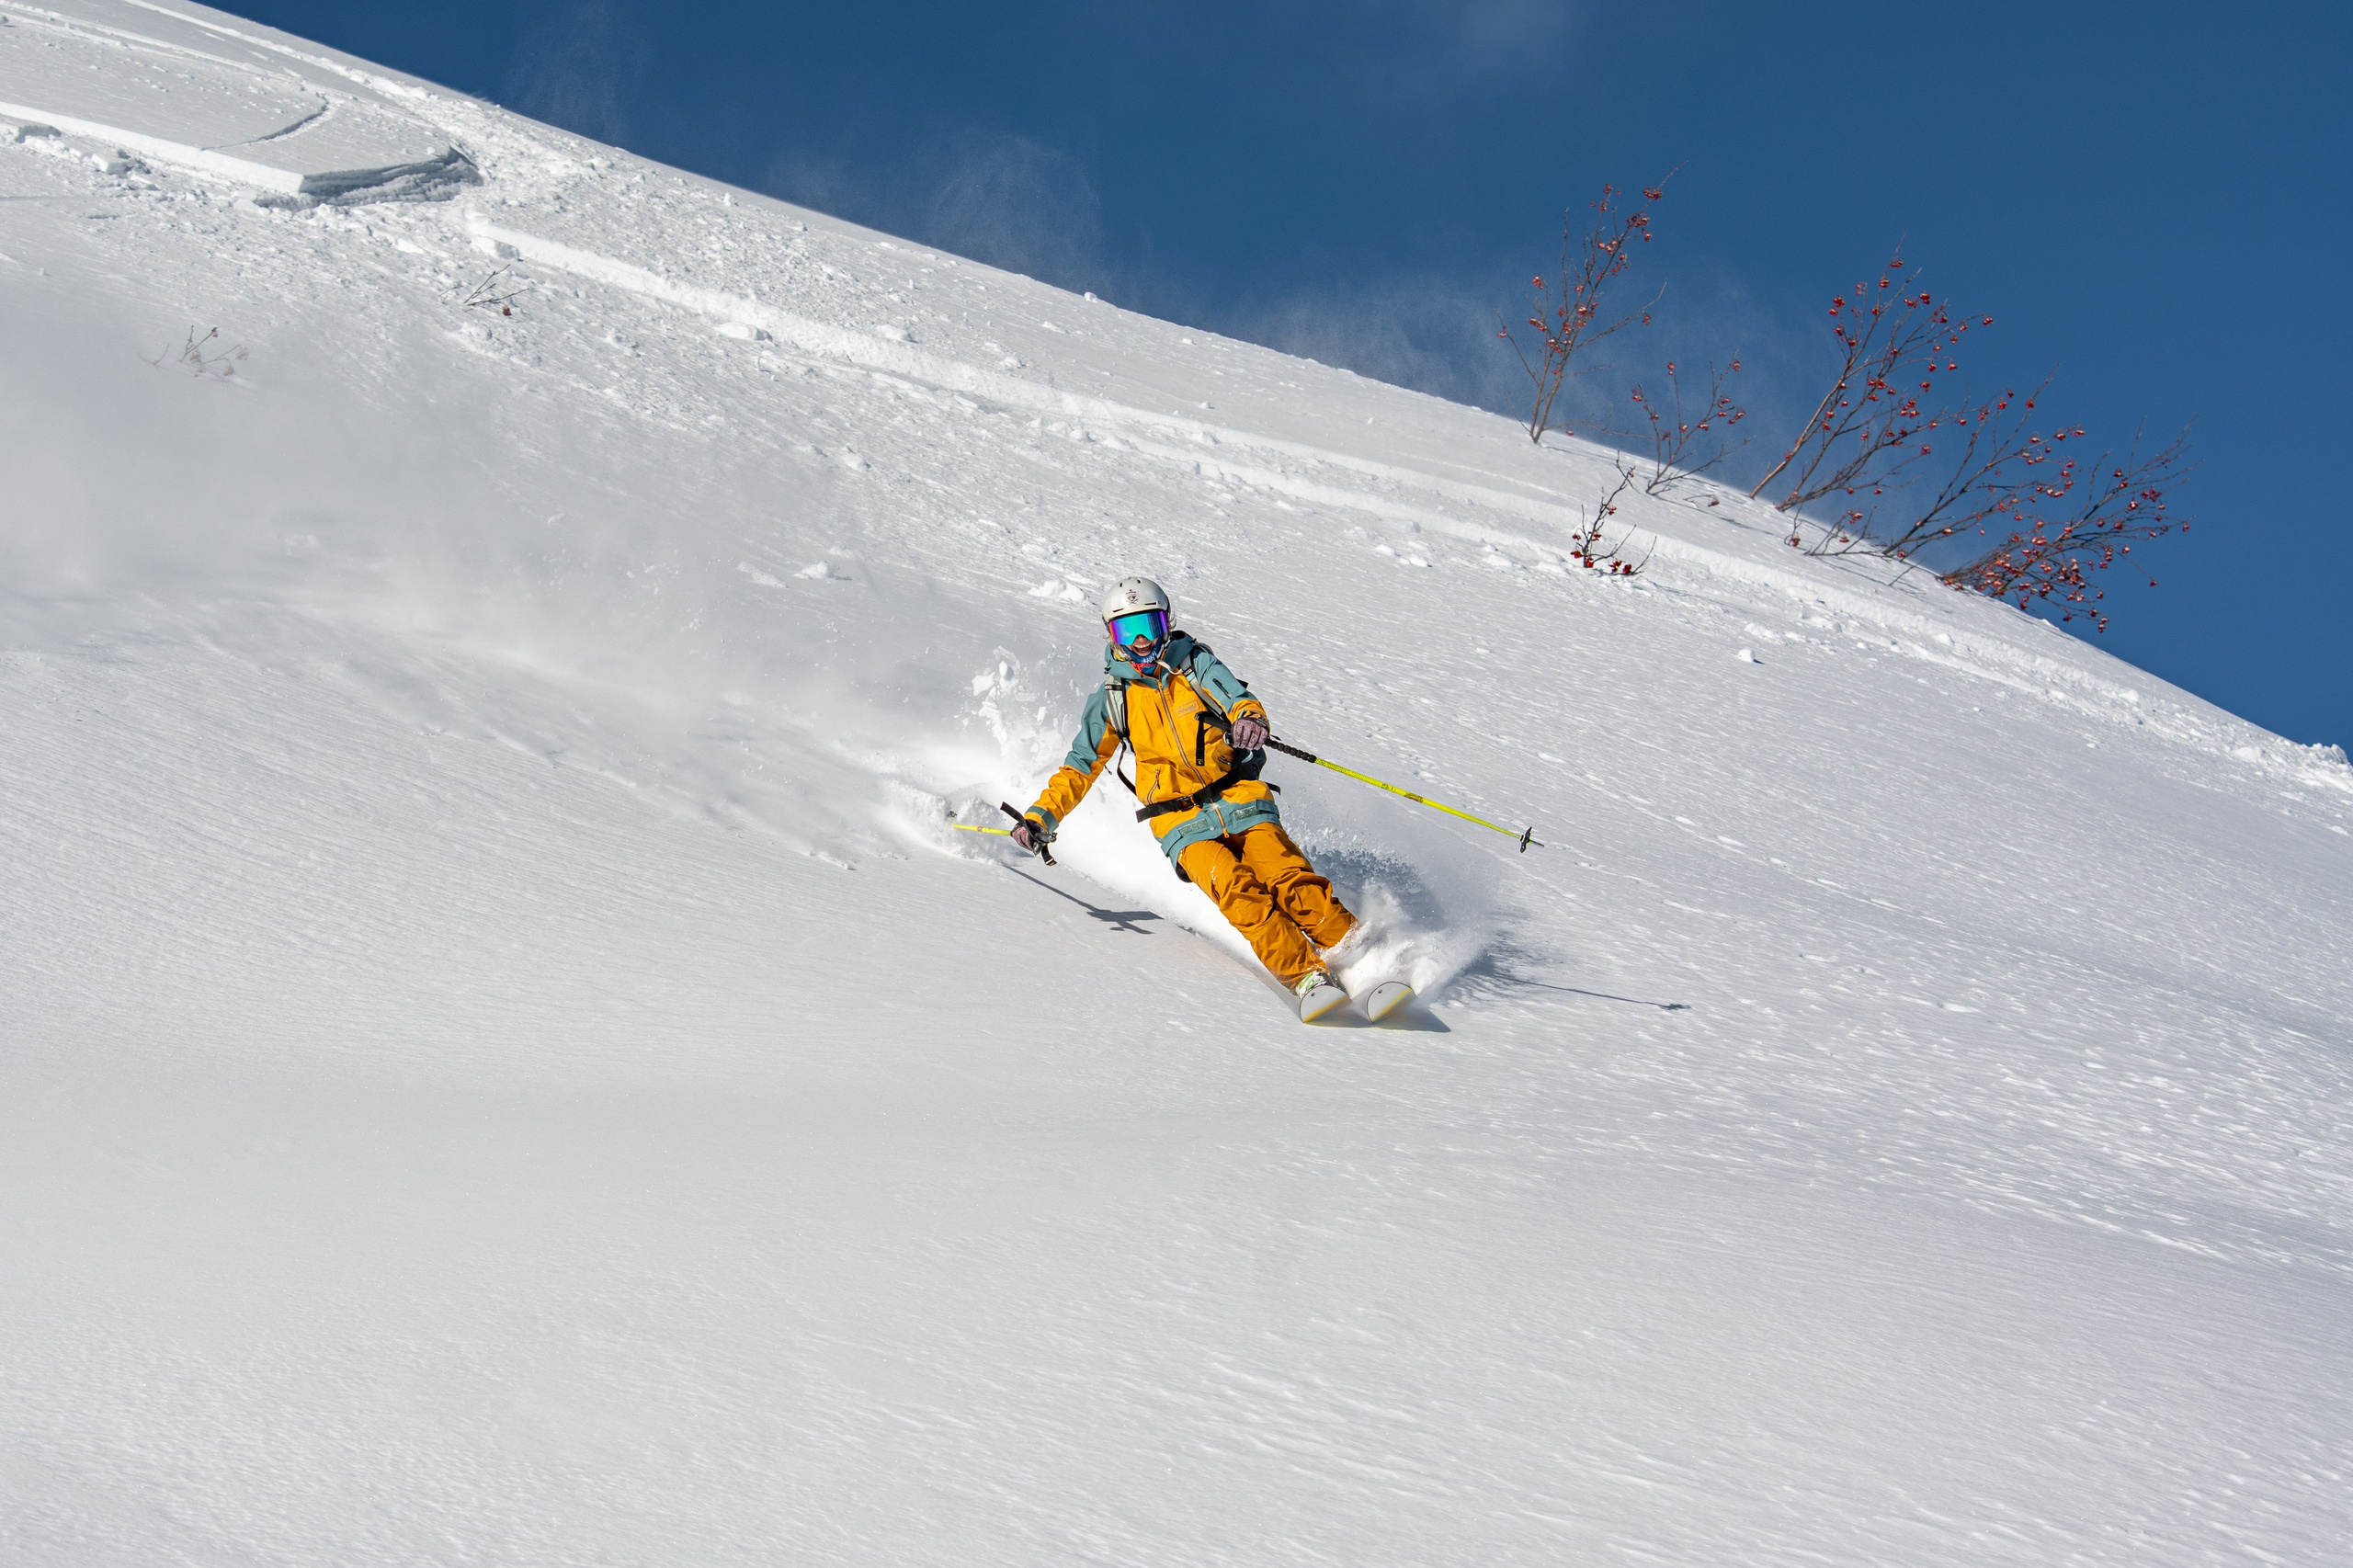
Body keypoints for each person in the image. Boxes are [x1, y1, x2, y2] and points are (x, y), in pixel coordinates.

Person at [1010, 576, 1361, 1020]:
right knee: (1237, 892)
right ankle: (1306, 975)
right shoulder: (1112, 699)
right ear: (1110, 635)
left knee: (1284, 874)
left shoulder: (1194, 665)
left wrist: (1248, 720)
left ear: (1167, 623)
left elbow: (1237, 699)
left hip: (1238, 794)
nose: (1141, 642)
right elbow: (1080, 766)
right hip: (1179, 821)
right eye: (1127, 631)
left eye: (1150, 626)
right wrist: (1042, 817)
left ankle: (1357, 952)